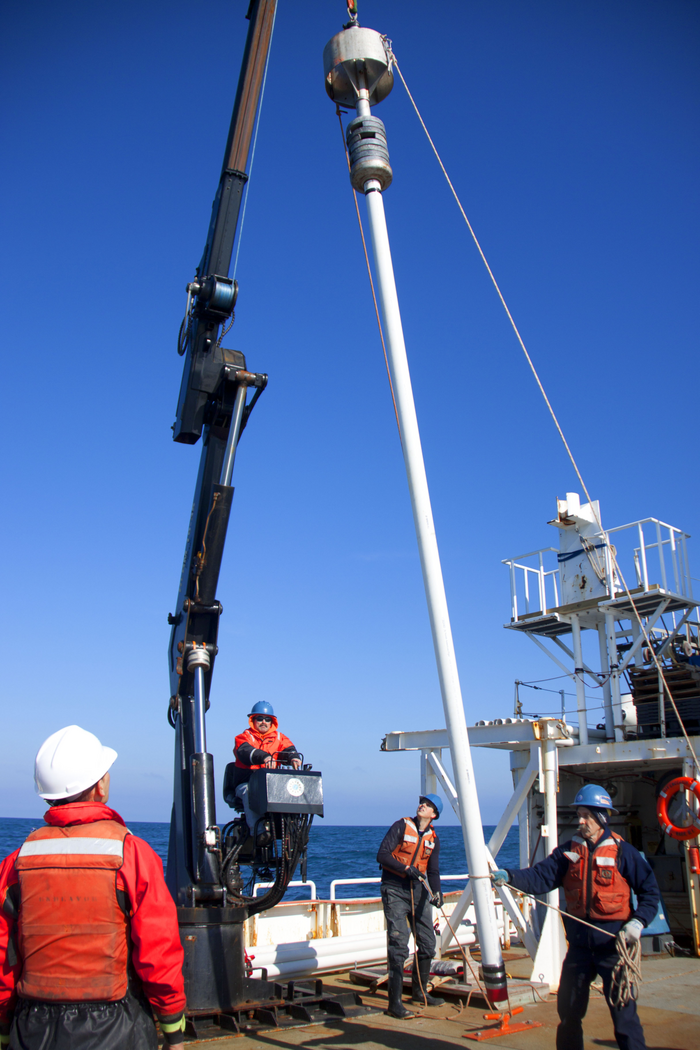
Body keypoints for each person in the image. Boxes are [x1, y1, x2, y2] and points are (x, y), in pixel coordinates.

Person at [0, 725, 187, 1050]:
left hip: (32, 1027)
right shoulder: (131, 854)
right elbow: (158, 951)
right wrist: (173, 1029)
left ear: (46, 793)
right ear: (100, 785)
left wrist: (5, 1028)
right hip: (115, 1026)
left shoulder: (16, 862)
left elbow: (4, 958)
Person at [491, 784, 660, 1050]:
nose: (580, 821)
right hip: (580, 948)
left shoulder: (624, 853)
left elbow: (650, 893)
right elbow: (539, 878)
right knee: (568, 1013)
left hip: (613, 947)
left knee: (624, 1019)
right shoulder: (567, 853)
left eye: (586, 815)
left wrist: (637, 923)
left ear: (602, 817)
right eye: (579, 814)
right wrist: (510, 876)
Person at [376, 794, 445, 1019]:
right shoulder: (400, 826)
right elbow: (382, 855)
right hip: (394, 889)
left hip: (419, 891)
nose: (422, 805)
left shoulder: (433, 838)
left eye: (427, 805)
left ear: (433, 815)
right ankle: (394, 1004)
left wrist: (437, 892)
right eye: (422, 803)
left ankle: (419, 991)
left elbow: (433, 871)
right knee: (398, 944)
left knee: (428, 943)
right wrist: (405, 869)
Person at [231, 702, 301, 834]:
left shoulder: (280, 738)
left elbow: (289, 749)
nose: (264, 722)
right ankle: (258, 832)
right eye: (260, 718)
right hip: (247, 782)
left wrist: (294, 758)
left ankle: (289, 832)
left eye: (267, 719)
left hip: (272, 785)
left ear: (272, 721)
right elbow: (244, 751)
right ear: (253, 720)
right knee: (248, 791)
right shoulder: (244, 737)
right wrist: (263, 757)